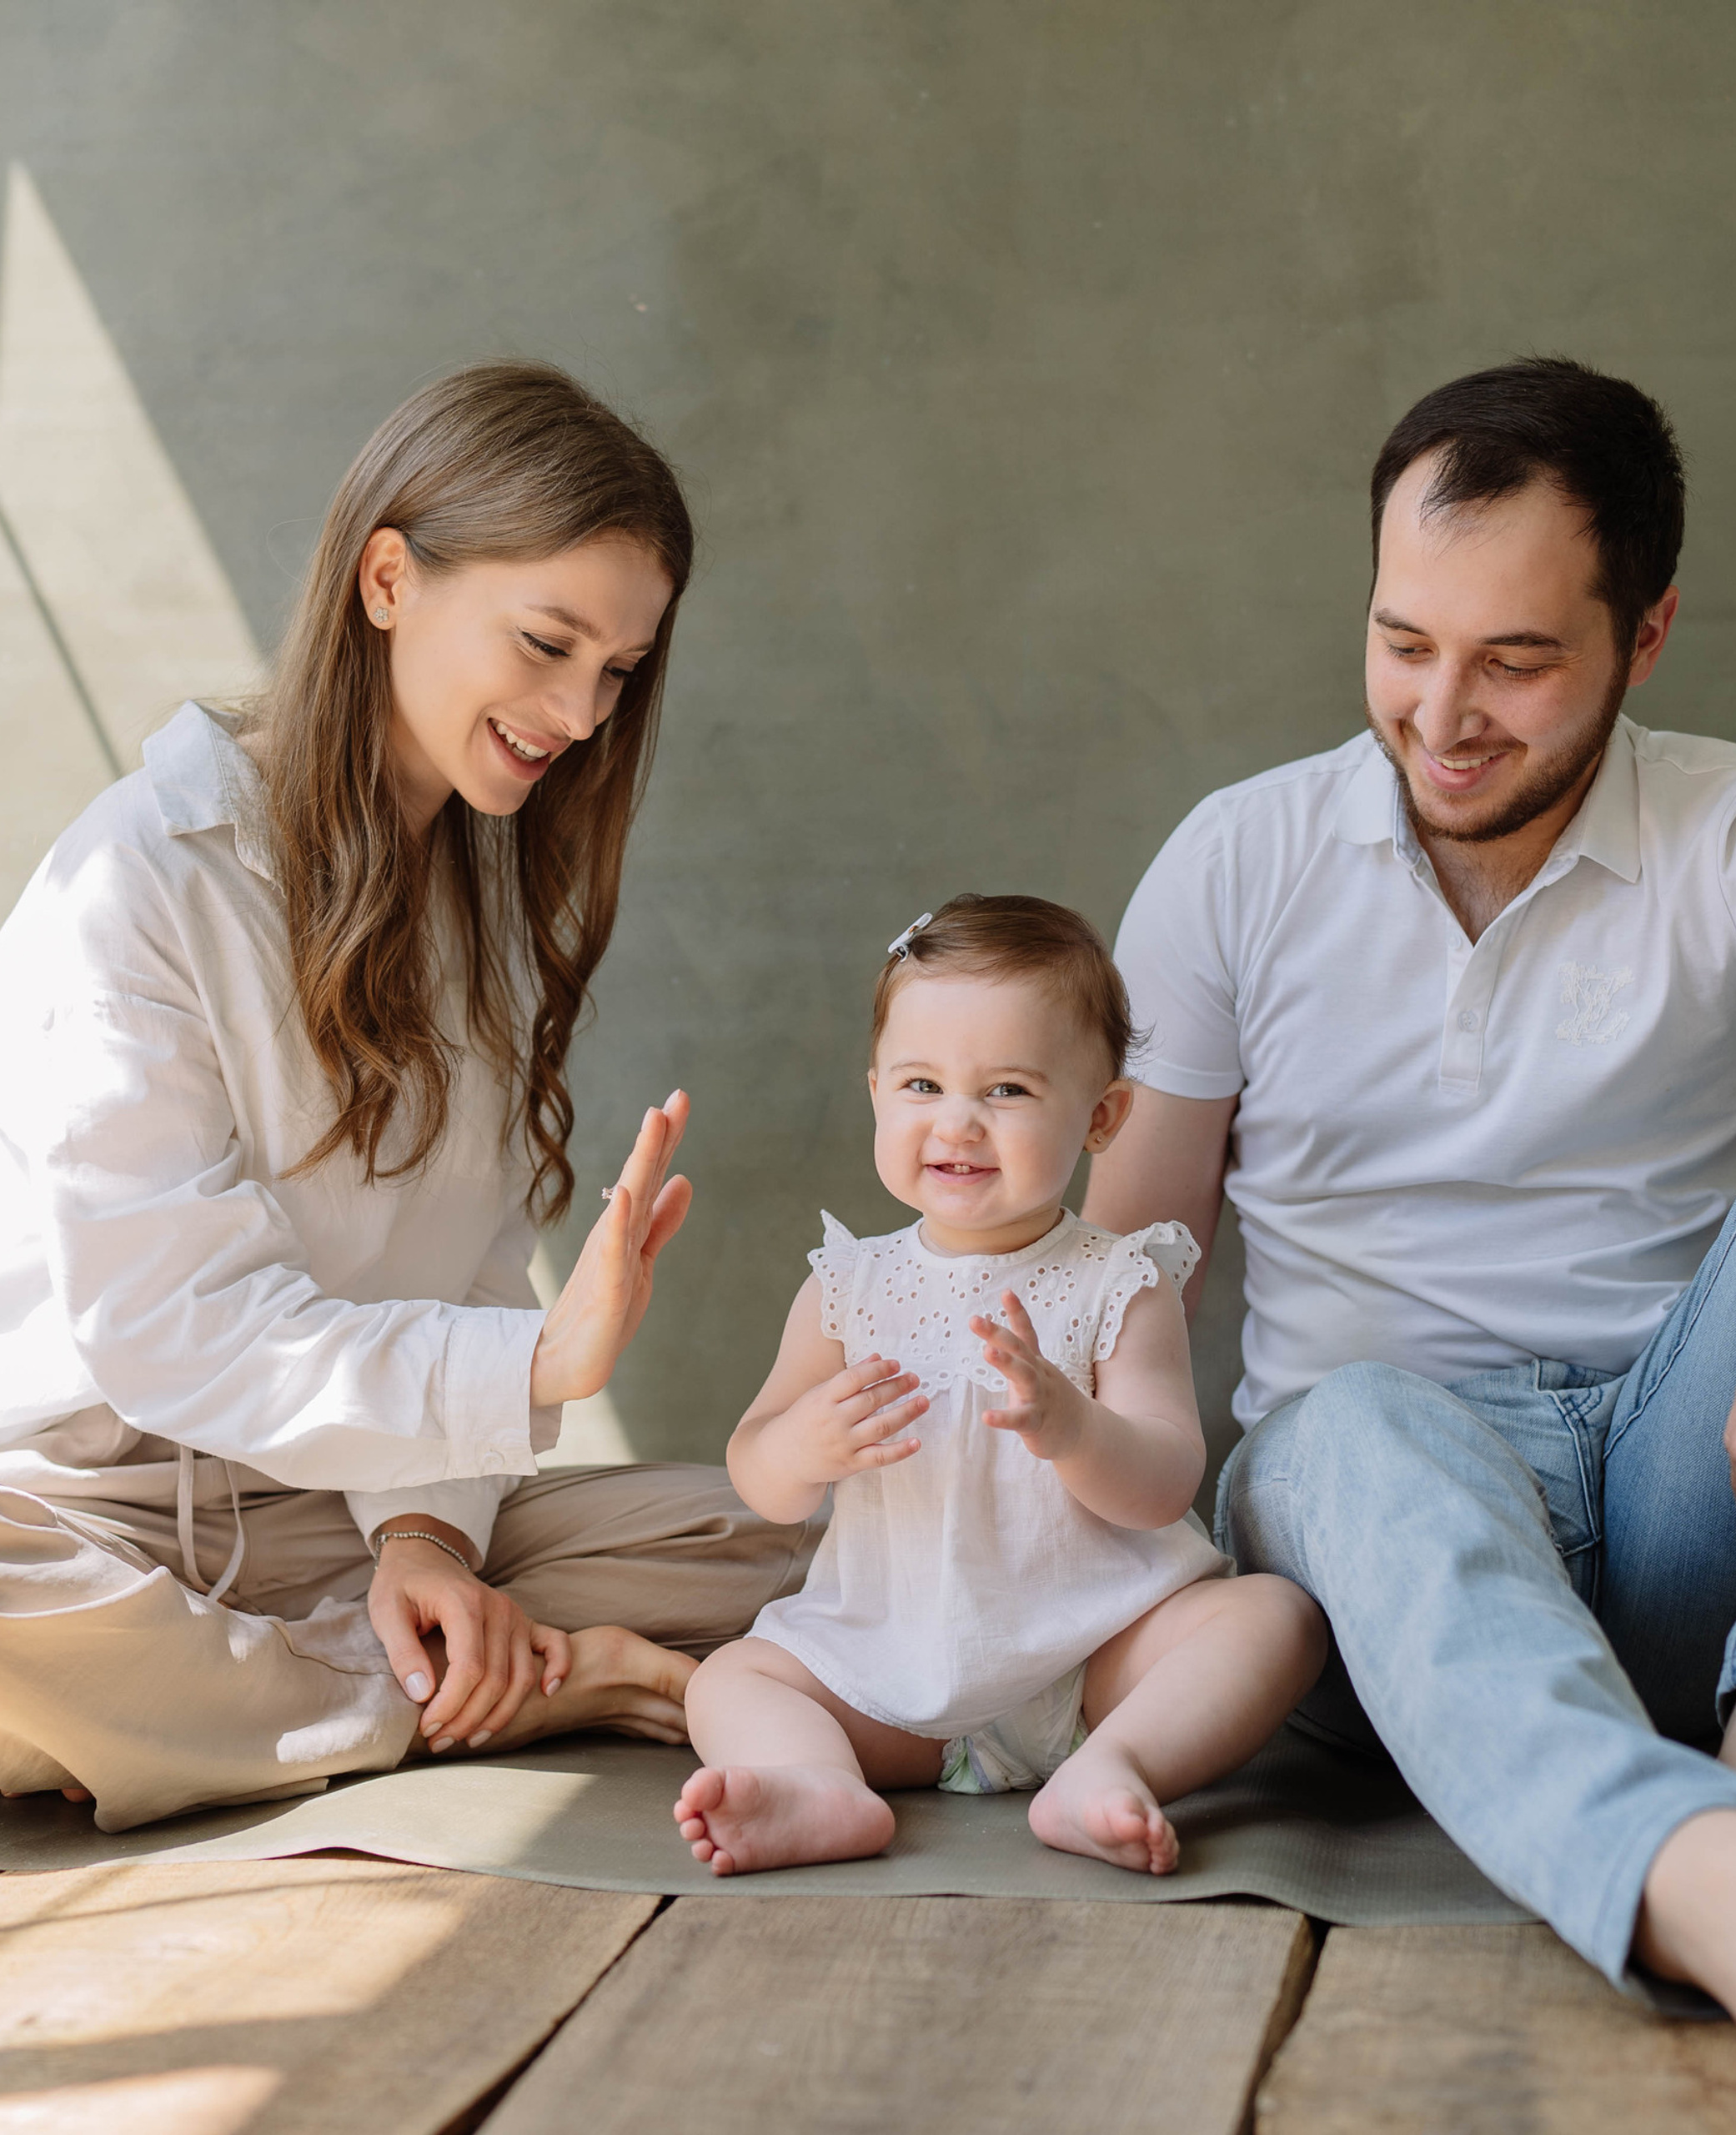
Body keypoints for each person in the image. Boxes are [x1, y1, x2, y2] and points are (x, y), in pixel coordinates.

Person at [1083, 358, 1736, 2057]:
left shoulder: (1733, 823)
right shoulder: (1236, 857)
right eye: (1400, 640)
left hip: (1694, 1504)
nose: (1438, 712)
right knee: (1342, 1422)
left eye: (1512, 658)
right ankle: (1696, 1878)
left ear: (1640, 639)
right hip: (1371, 1559)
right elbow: (1123, 1280)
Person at [0, 362, 820, 1832]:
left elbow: (467, 1278)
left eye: (619, 671)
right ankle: (456, 1697)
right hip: (78, 1515)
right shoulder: (135, 882)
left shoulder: (482, 917)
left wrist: (429, 1538)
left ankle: (281, 1695)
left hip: (327, 1520)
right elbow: (171, 1334)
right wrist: (528, 1379)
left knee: (822, 1539)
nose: (580, 711)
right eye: (549, 642)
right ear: (390, 579)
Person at [673, 895, 1325, 1876]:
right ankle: (817, 1783)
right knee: (732, 1677)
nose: (957, 1123)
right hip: (892, 1673)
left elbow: (1163, 1482)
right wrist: (798, 1446)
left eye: (1008, 1090)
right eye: (923, 1084)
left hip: (1094, 1660)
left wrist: (1074, 1428)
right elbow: (757, 1468)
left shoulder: (1119, 1278)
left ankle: (1112, 1767)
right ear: (877, 1093)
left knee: (1276, 1621)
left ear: (1102, 1116)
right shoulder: (847, 1286)